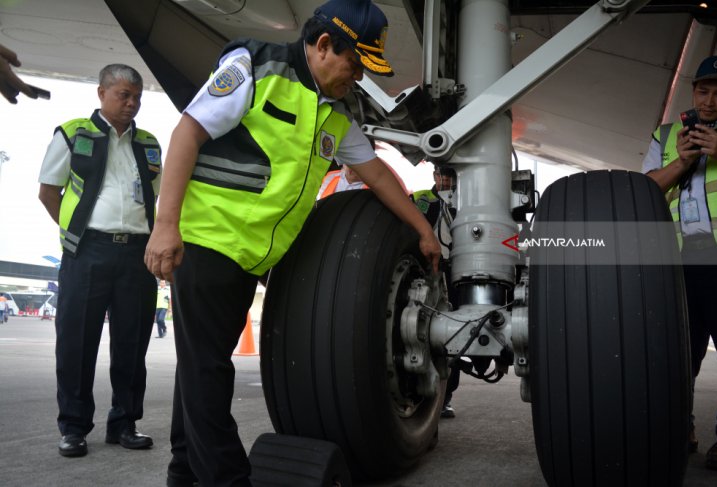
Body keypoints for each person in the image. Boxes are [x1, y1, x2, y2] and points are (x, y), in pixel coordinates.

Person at [143, 1, 441, 484]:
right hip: (207, 243)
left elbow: (378, 177)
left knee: (202, 369)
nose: (358, 75)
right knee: (208, 374)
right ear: (324, 45)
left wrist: (424, 230)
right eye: (354, 62)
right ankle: (226, 477)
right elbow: (188, 133)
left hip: (249, 259)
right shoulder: (255, 68)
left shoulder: (334, 114)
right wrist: (166, 226)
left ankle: (184, 471)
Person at [38, 64, 161, 458]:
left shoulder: (149, 143)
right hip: (87, 252)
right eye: (123, 95)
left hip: (137, 254)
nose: (131, 104)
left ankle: (124, 423)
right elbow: (48, 192)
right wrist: (76, 233)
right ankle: (73, 427)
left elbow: (157, 197)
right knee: (77, 342)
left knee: (132, 343)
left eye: (137, 97)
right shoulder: (73, 134)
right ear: (101, 93)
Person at [642, 54, 717, 471]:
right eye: (702, 91)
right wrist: (681, 162)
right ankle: (681, 428)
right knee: (677, 356)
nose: (709, 102)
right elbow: (642, 193)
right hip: (678, 261)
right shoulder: (666, 134)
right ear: (692, 91)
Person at [413, 167, 460, 419]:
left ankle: (445, 398)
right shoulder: (420, 199)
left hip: (454, 276)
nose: (445, 180)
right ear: (434, 176)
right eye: (441, 175)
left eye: (450, 176)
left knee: (452, 335)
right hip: (425, 274)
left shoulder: (465, 203)